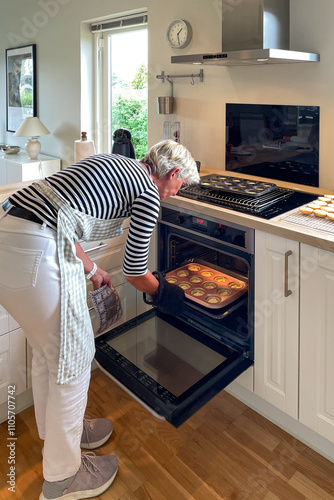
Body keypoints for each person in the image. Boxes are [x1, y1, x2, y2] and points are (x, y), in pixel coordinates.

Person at [0, 139, 200, 500]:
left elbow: (60, 212)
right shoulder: (148, 191)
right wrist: (167, 294)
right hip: (36, 247)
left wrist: (92, 269)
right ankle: (63, 477)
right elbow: (136, 269)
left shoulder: (114, 162)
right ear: (172, 174)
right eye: (181, 185)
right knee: (73, 358)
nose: (176, 193)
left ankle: (63, 436)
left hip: (8, 233)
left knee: (50, 354)